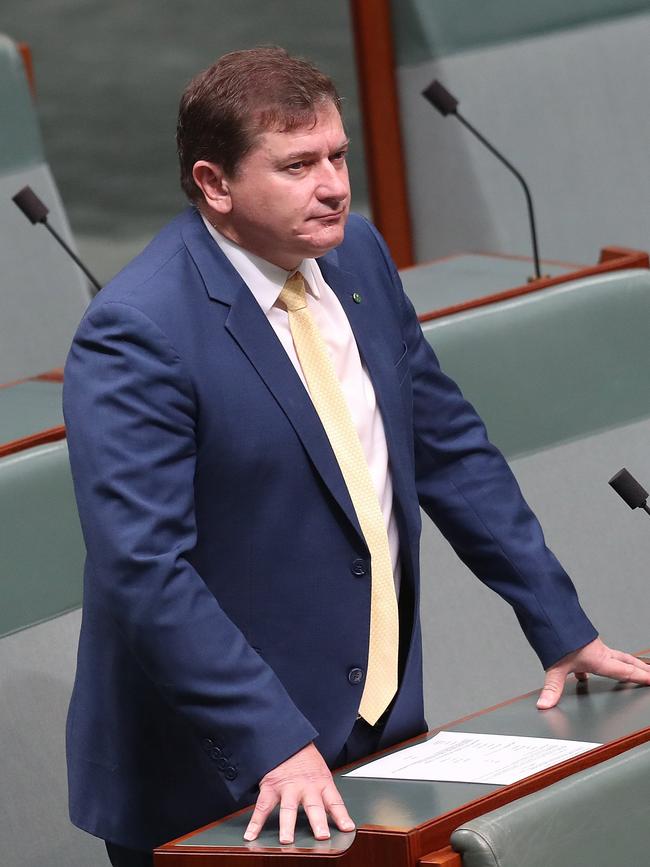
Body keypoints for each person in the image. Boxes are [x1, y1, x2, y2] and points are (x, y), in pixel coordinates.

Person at [63, 47, 650, 867]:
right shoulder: (140, 332)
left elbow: (449, 449)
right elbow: (144, 568)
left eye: (339, 156)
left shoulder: (358, 256)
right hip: (216, 768)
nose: (334, 184)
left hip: (371, 730)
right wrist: (272, 738)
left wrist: (557, 622)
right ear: (214, 183)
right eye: (298, 165)